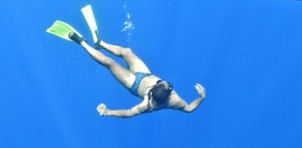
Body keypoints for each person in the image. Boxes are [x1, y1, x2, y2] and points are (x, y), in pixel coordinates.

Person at [67, 31, 206, 118]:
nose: (166, 83)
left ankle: (82, 43)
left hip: (133, 83)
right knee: (127, 51)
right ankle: (101, 43)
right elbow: (190, 108)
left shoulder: (149, 105)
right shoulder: (172, 95)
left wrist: (108, 112)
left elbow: (128, 113)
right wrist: (202, 97)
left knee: (109, 62)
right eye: (163, 83)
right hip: (145, 74)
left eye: (165, 85)